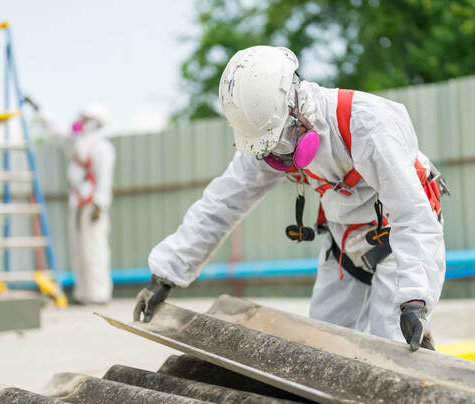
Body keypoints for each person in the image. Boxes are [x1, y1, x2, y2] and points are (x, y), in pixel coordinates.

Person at [134, 45, 447, 351]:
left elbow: (412, 214)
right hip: (344, 245)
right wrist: (166, 273)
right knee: (321, 352)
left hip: (396, 241)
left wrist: (414, 299)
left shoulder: (366, 124)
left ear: (297, 105)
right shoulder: (268, 138)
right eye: (269, 148)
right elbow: (223, 203)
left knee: (390, 355)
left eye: (281, 141)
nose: (277, 157)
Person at [35, 103, 116, 304]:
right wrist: (39, 111)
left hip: (93, 207)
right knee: (79, 250)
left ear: (95, 123)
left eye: (85, 118)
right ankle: (83, 292)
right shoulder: (77, 144)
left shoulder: (102, 148)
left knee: (95, 249)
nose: (80, 121)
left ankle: (99, 293)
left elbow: (104, 179)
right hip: (78, 205)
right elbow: (57, 132)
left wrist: (100, 204)